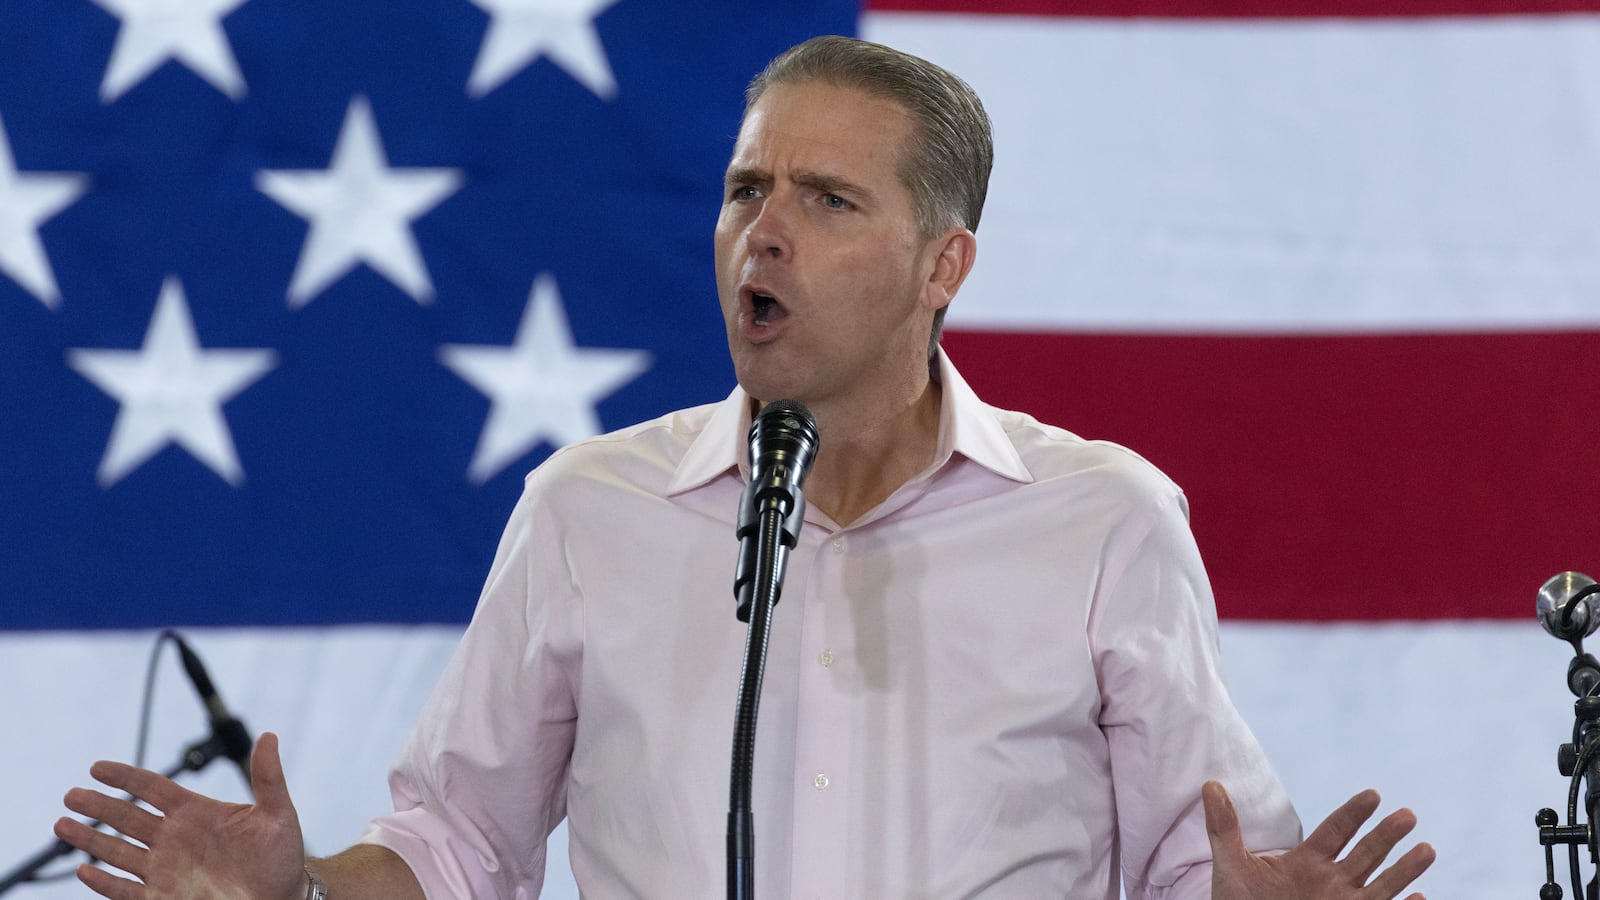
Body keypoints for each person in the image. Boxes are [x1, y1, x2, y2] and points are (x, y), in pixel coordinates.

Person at [55, 35, 1435, 899]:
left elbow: (1198, 867)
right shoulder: (590, 513)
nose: (760, 234)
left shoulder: (1100, 522)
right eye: (743, 190)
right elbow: (458, 851)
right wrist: (294, 894)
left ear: (943, 264)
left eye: (828, 200)